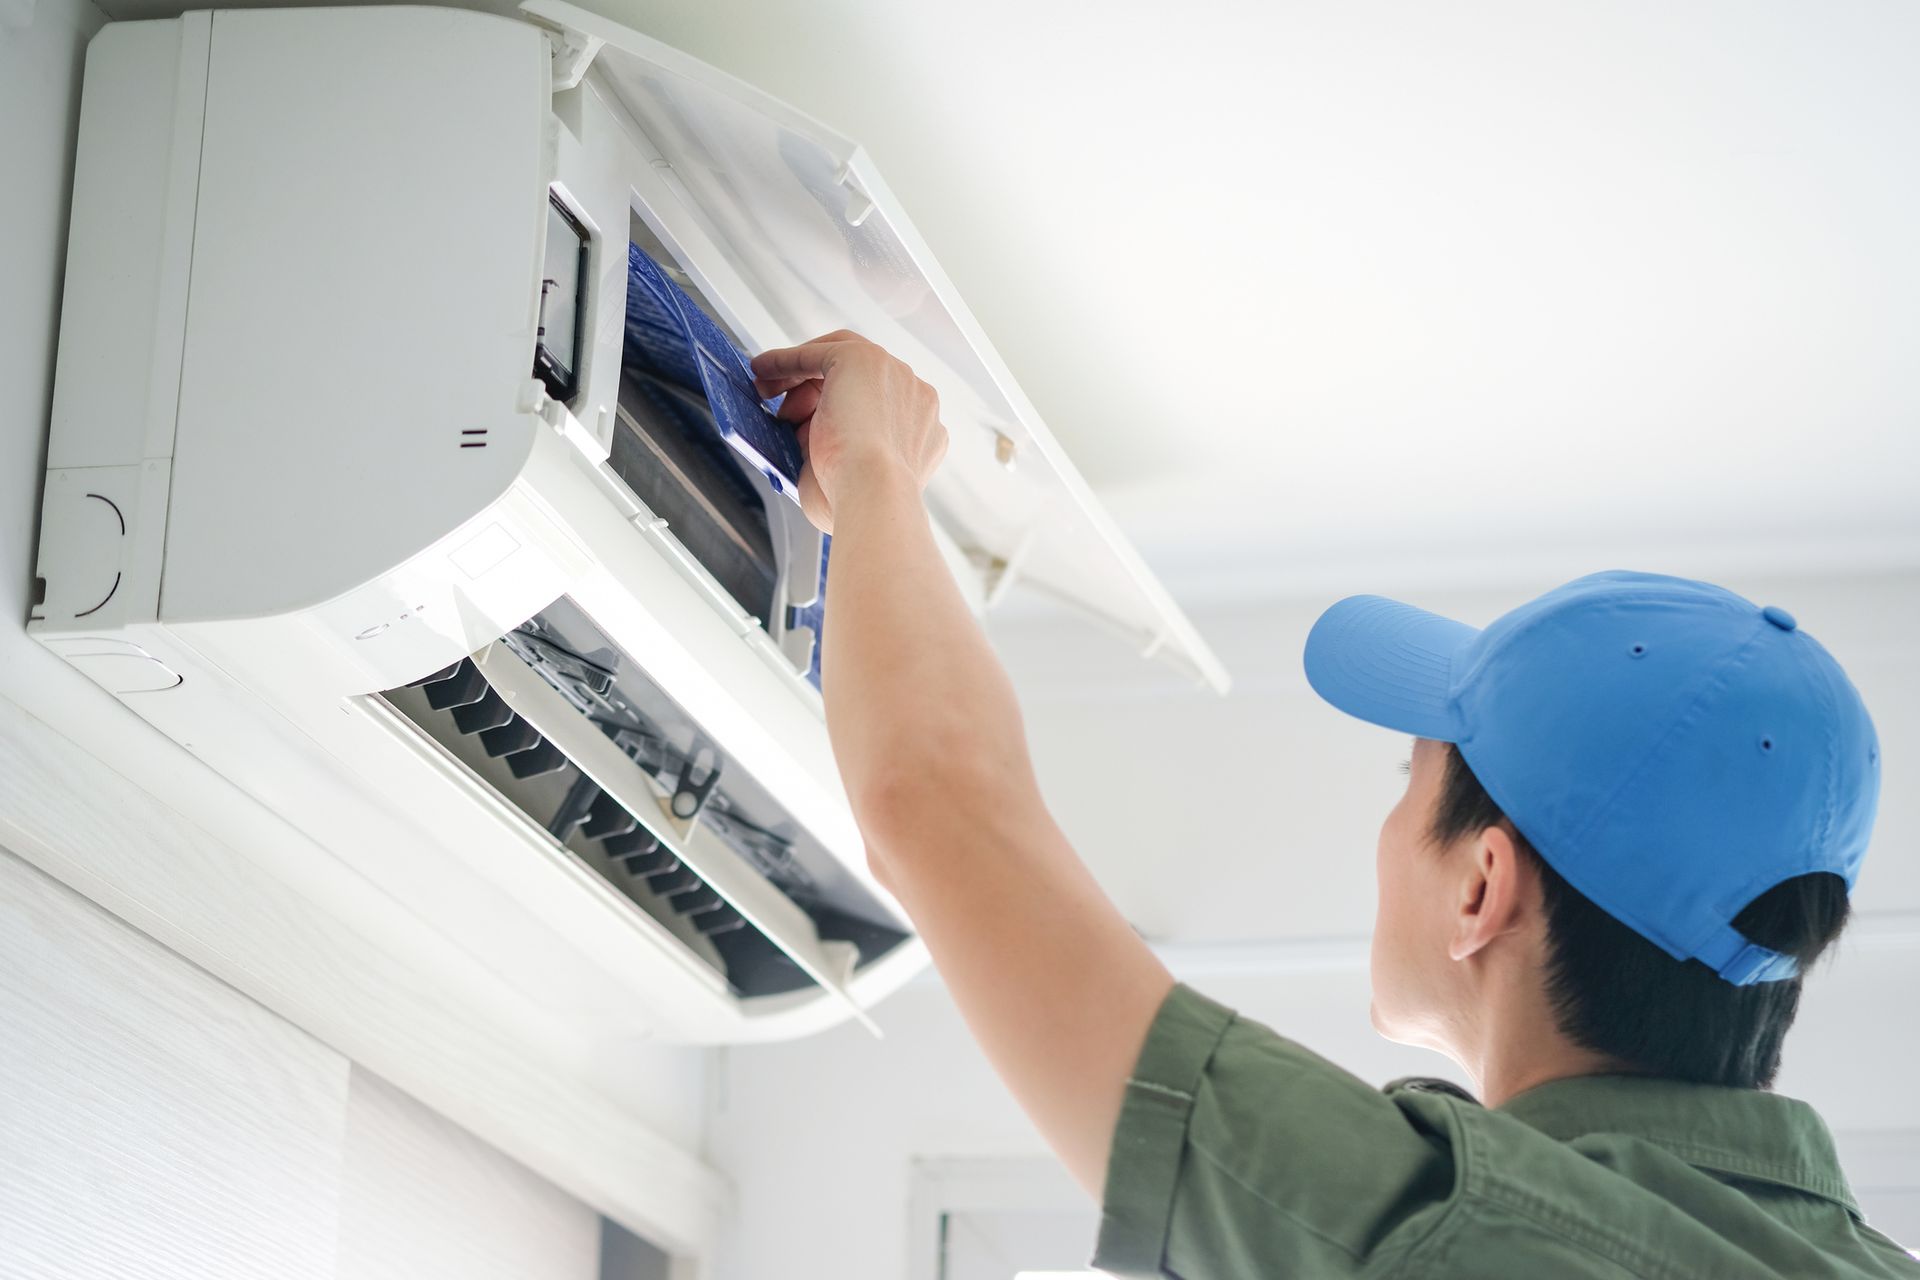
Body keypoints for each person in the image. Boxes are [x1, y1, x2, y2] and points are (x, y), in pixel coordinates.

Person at [749, 332, 1913, 1278]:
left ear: (1480, 885)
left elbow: (935, 806)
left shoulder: (1463, 1236)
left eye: (1407, 780)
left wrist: (879, 467)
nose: (1390, 825)